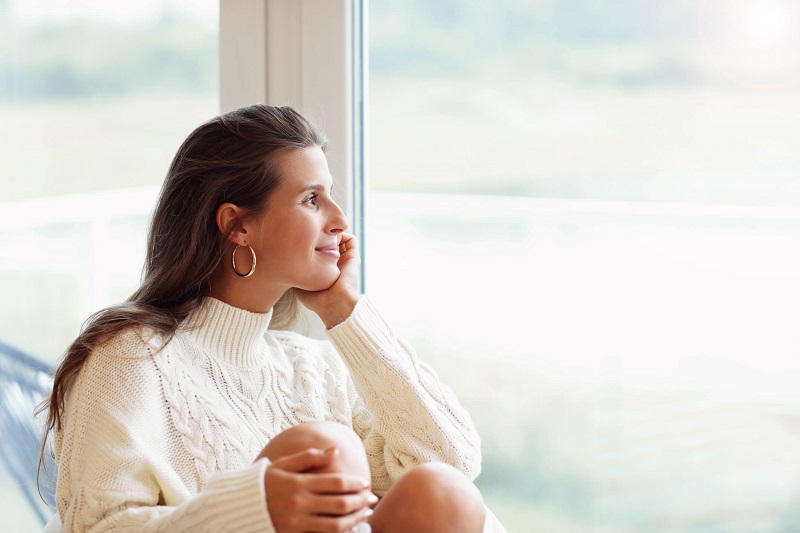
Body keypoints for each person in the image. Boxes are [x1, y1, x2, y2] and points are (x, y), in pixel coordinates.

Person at [39, 104, 505, 532]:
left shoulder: (313, 368)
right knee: (329, 448)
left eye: (331, 196)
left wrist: (342, 309)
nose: (340, 219)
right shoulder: (131, 358)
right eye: (311, 199)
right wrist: (255, 510)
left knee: (441, 491)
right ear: (238, 226)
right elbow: (94, 526)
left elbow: (450, 461)